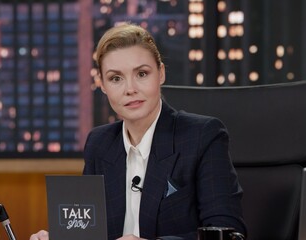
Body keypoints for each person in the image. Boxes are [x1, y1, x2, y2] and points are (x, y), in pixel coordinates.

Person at [30, 23, 247, 240]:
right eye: (116, 78)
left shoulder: (203, 136)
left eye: (142, 74)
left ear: (161, 74)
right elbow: (89, 233)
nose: (130, 89)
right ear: (103, 85)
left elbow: (227, 233)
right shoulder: (99, 143)